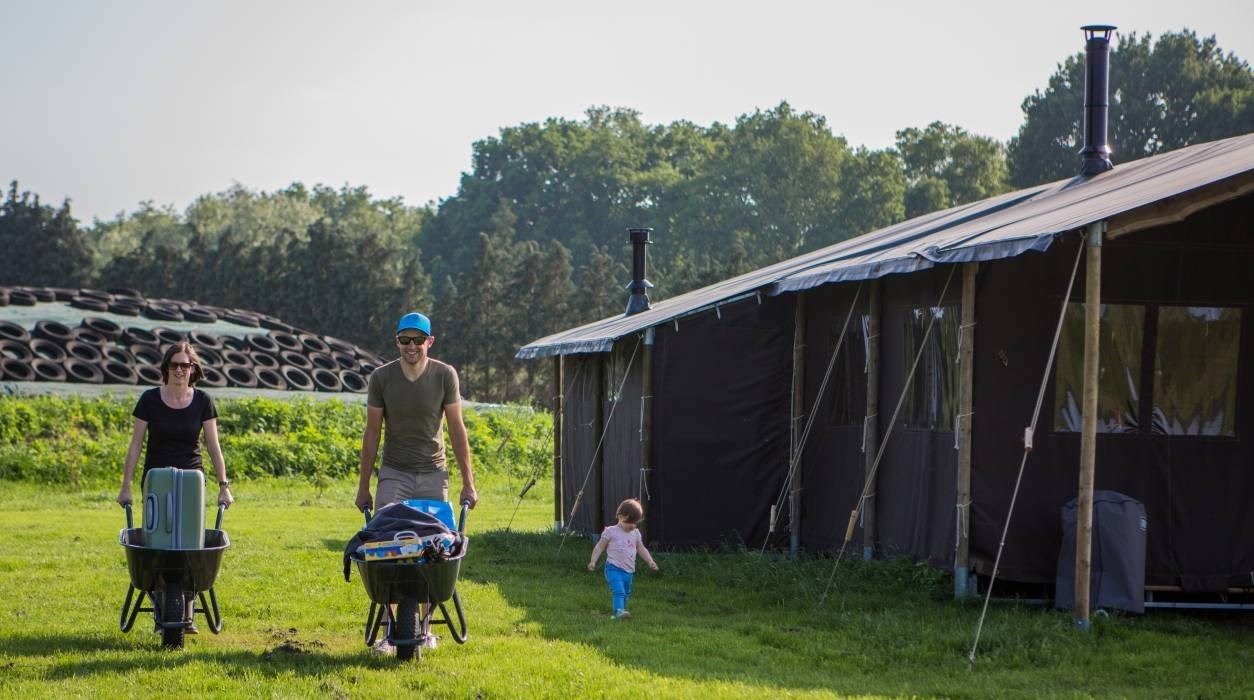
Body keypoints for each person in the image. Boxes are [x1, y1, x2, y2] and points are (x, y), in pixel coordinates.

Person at [355, 312, 478, 652]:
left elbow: (456, 429)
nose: (411, 347)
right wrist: (364, 486)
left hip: (433, 472)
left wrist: (468, 482)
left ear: (430, 341)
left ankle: (426, 627)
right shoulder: (382, 378)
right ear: (397, 342)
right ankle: (386, 631)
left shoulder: (444, 375)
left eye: (417, 340)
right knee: (384, 548)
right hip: (394, 472)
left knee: (434, 548)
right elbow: (372, 433)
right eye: (404, 340)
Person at [117, 341, 233, 633]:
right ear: (166, 368)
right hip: (156, 480)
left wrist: (223, 485)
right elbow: (135, 446)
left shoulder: (203, 400)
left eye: (186, 365)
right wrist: (126, 486)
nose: (180, 370)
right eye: (175, 365)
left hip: (192, 480)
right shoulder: (149, 400)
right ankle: (161, 602)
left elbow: (213, 445)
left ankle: (187, 604)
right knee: (159, 538)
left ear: (193, 369)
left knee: (188, 542)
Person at [587, 498, 659, 620]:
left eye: (635, 523)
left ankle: (622, 611)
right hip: (613, 569)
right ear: (620, 516)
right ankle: (618, 612)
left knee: (626, 593)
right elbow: (600, 547)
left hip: (629, 571)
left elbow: (641, 548)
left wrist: (650, 561)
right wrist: (593, 561)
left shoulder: (635, 533)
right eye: (629, 522)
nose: (632, 525)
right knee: (619, 591)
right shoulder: (611, 531)